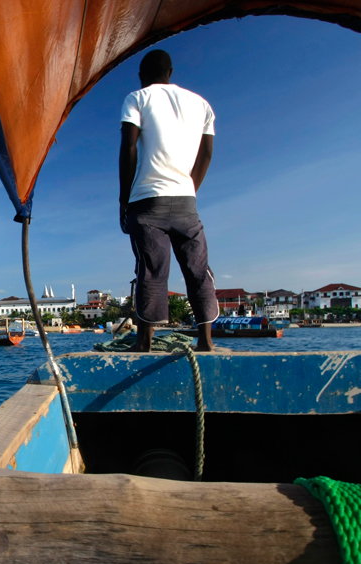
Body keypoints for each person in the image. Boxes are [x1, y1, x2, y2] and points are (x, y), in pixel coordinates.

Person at [119, 49, 218, 352]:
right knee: (197, 270)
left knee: (151, 271)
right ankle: (206, 340)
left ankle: (144, 342)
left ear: (141, 75)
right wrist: (191, 187)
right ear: (170, 72)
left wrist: (124, 198)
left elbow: (129, 148)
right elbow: (206, 153)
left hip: (147, 201)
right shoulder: (202, 105)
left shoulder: (137, 98)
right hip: (186, 200)